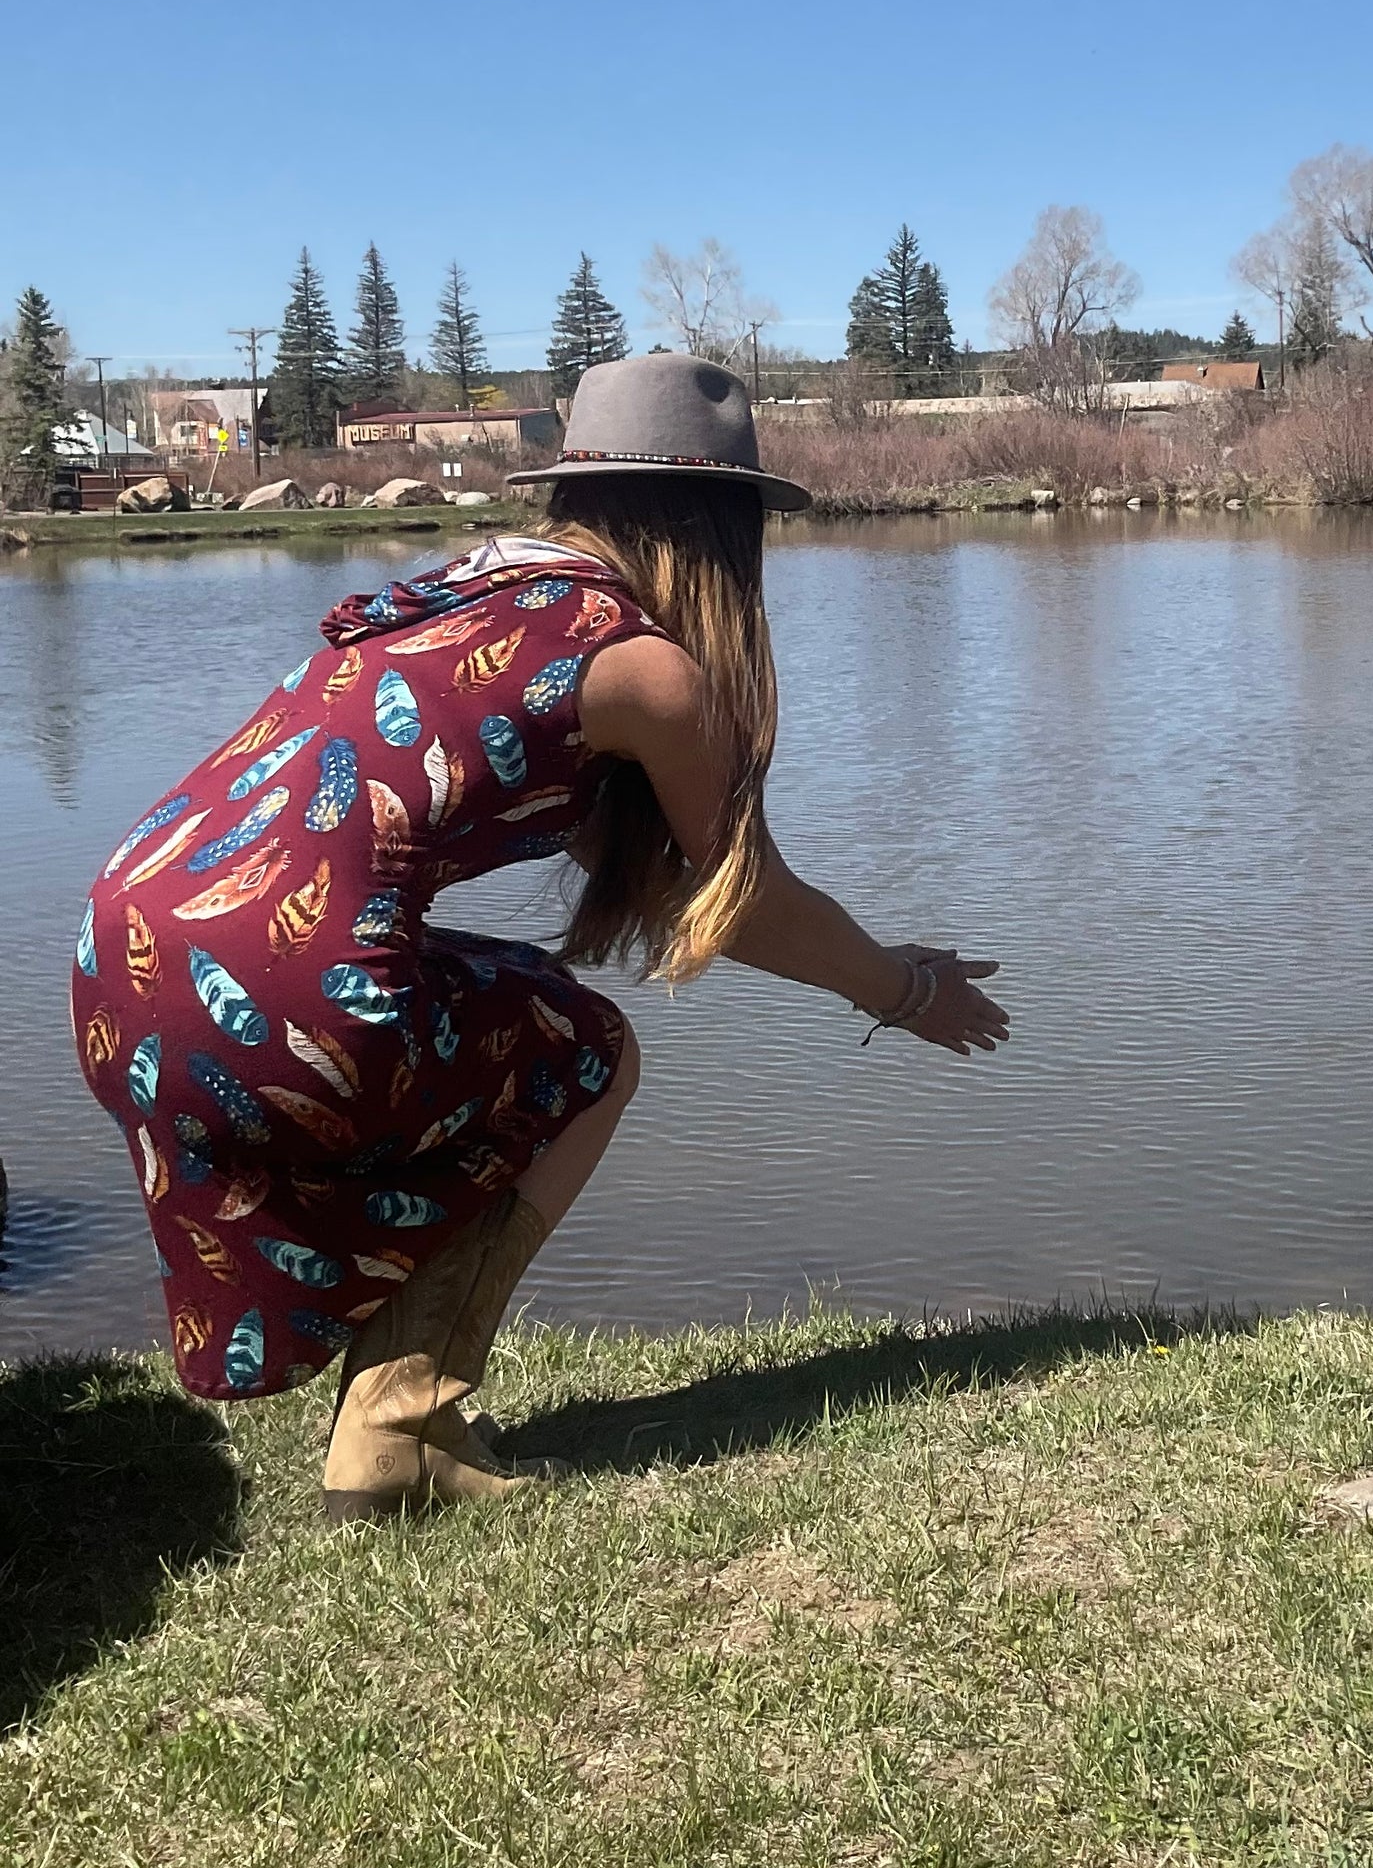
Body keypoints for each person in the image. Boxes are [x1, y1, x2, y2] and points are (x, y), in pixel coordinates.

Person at [72, 353, 1010, 1523]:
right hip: (273, 982)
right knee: (584, 1052)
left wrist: (869, 956)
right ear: (721, 529)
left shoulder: (465, 595)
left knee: (504, 1015)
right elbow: (741, 897)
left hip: (120, 969)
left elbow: (660, 889)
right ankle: (399, 1428)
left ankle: (394, 1406)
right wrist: (902, 990)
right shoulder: (646, 669)